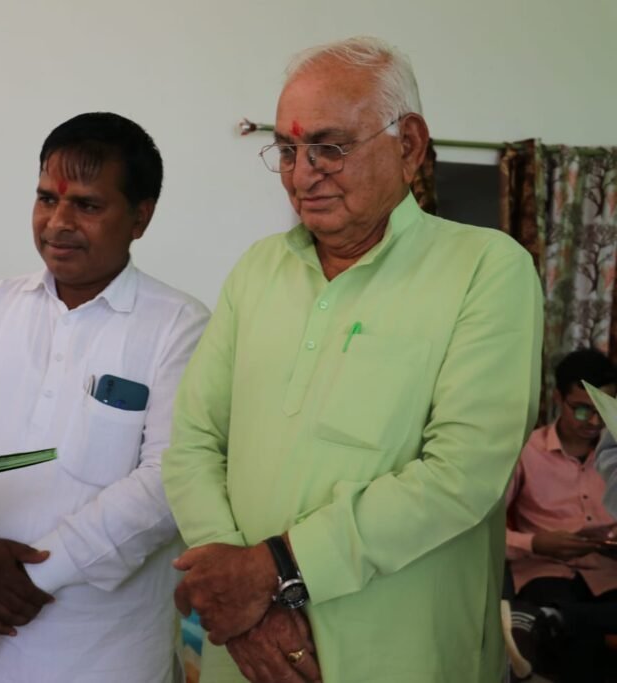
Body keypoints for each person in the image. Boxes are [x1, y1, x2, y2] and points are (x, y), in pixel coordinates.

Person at [161, 35, 543, 683]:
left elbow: (461, 474)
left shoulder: (486, 269)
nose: (301, 174)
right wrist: (242, 599)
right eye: (287, 150)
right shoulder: (258, 270)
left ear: (409, 144)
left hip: (402, 654)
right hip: (245, 653)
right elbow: (194, 443)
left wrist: (273, 571)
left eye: (329, 147)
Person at [0, 112, 210, 682]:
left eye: (87, 206)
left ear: (140, 217)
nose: (59, 222)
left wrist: (31, 577)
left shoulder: (179, 325)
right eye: (47, 198)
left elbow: (168, 482)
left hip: (101, 648)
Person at [506, 348, 617, 682]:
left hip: (607, 571)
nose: (594, 422)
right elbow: (486, 532)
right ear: (558, 398)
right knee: (580, 644)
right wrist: (536, 543)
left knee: (573, 625)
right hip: (545, 570)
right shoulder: (526, 451)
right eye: (582, 410)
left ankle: (549, 616)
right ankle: (554, 616)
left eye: (602, 409)